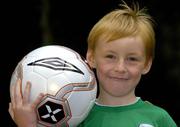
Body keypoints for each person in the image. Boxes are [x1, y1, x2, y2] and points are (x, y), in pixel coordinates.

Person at [9, 1, 177, 127]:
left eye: (132, 59)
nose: (120, 68)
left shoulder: (158, 119)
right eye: (110, 56)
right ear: (91, 58)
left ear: (147, 64)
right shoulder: (72, 118)